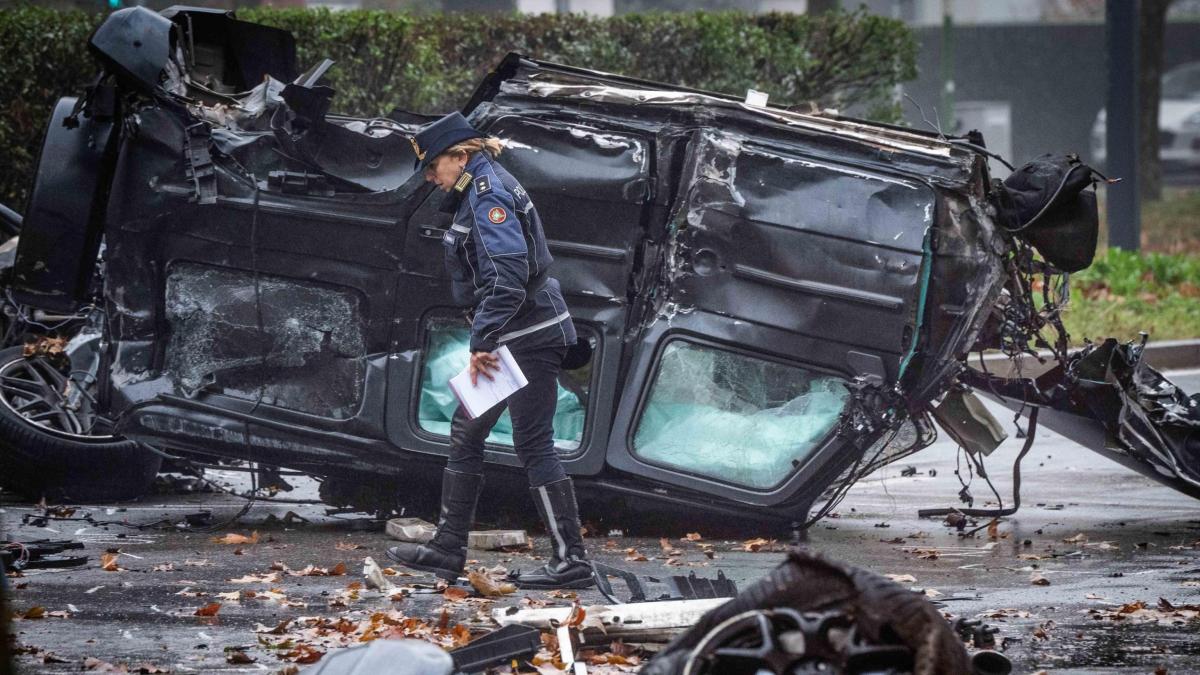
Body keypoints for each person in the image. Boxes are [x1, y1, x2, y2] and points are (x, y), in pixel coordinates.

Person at [386, 112, 593, 589]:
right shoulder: (478, 188)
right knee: (468, 429)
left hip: (527, 335)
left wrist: (482, 340)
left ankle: (570, 561)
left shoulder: (488, 195)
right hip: (518, 334)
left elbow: (509, 276)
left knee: (531, 442)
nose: (432, 178)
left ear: (462, 155)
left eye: (435, 167)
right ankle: (447, 549)